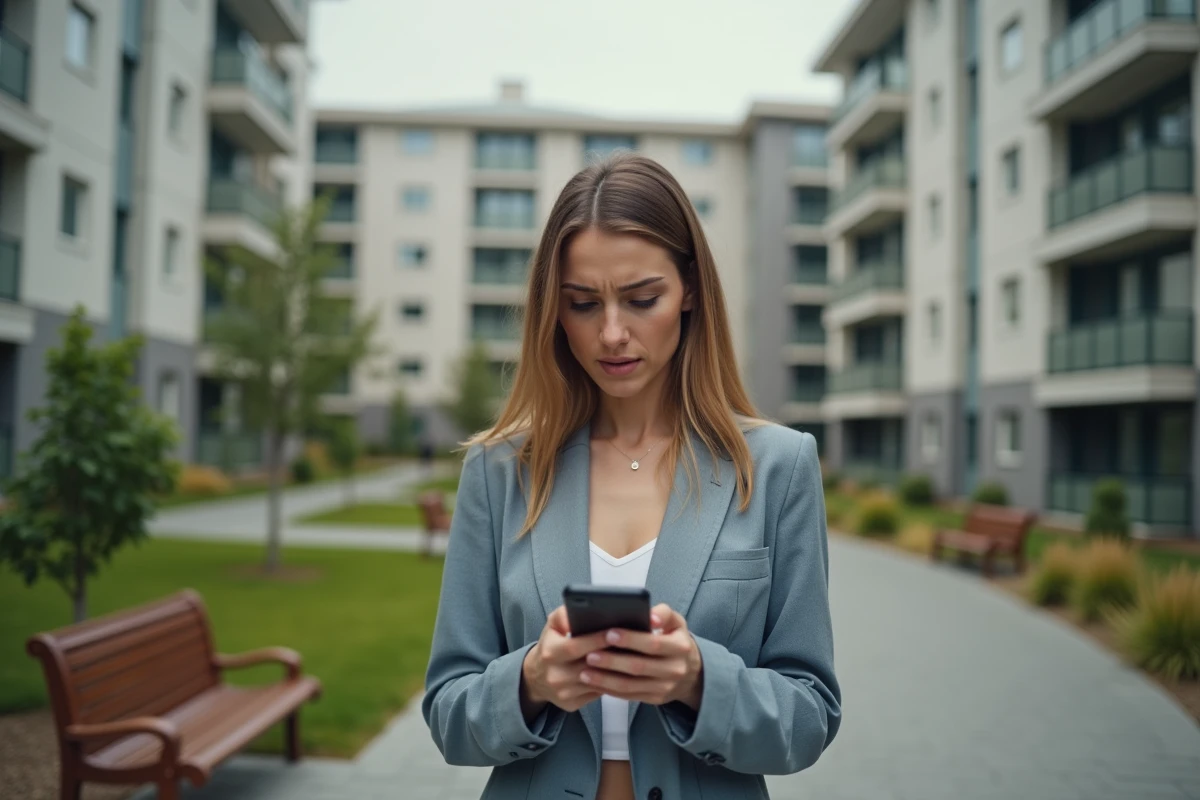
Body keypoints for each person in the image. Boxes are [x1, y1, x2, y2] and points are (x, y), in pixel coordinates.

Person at [423, 153, 841, 800]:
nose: (612, 333)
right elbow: (449, 714)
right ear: (552, 313)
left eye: (642, 299)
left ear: (691, 289)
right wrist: (531, 682)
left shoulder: (778, 468)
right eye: (583, 304)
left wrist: (700, 681)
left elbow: (809, 716)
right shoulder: (499, 471)